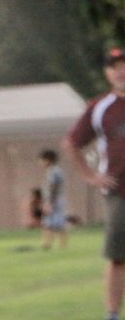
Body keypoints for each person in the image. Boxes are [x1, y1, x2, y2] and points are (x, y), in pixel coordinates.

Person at [64, 47, 125, 320]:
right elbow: (71, 143)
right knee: (117, 257)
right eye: (114, 67)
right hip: (118, 192)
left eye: (123, 65)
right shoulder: (100, 108)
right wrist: (90, 176)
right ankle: (112, 315)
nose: (120, 71)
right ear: (107, 73)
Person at [39, 148, 68, 250]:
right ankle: (56, 244)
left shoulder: (52, 171)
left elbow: (53, 186)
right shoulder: (57, 170)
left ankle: (48, 244)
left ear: (48, 160)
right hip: (57, 199)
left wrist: (49, 202)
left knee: (51, 222)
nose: (40, 163)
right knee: (55, 222)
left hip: (54, 200)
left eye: (42, 160)